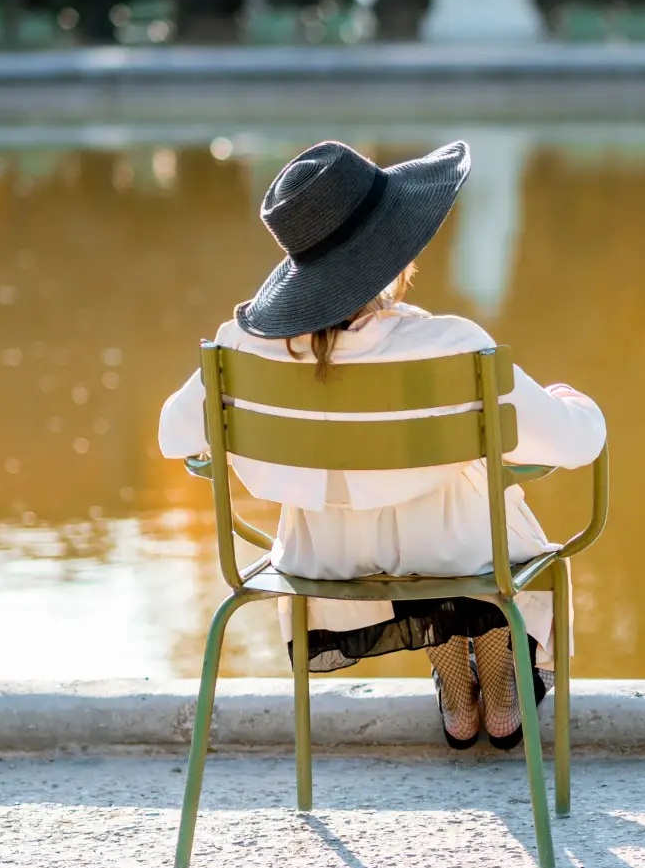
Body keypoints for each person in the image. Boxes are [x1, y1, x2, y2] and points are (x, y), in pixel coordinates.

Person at [158, 139, 605, 750]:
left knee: (429, 504)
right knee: (469, 510)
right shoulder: (449, 345)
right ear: (394, 248)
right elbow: (576, 445)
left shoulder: (239, 348)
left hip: (321, 561)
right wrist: (574, 401)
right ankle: (500, 682)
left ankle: (454, 679)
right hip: (465, 559)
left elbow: (170, 436)